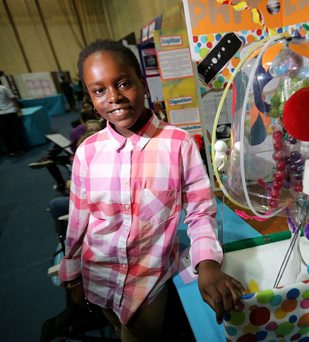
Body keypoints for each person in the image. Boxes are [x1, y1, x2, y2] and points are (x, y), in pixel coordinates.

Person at [58, 39, 245, 341]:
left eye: (123, 83)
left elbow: (200, 211)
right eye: (99, 90)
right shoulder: (87, 152)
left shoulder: (178, 144)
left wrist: (207, 263)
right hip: (99, 277)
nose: (114, 98)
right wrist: (72, 275)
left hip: (147, 286)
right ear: (90, 96)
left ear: (143, 84)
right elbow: (79, 221)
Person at [28, 110, 101, 193]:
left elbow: (74, 147)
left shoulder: (77, 131)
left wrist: (73, 185)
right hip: (88, 157)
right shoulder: (103, 127)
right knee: (57, 154)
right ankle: (49, 158)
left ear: (81, 120)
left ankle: (60, 181)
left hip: (78, 158)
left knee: (54, 156)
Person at [0, 84, 25, 156]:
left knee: (15, 131)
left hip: (10, 111)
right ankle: (11, 150)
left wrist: (19, 111)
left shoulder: (3, 88)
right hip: (0, 114)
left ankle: (20, 149)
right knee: (3, 133)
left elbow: (13, 99)